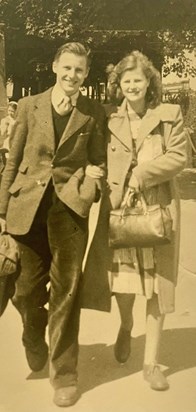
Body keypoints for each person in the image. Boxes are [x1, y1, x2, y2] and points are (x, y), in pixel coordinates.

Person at [0, 42, 106, 407]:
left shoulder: (93, 112)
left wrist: (92, 182)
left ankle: (64, 374)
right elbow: (12, 162)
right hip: (26, 207)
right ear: (54, 67)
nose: (72, 75)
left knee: (67, 293)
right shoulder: (29, 106)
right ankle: (33, 334)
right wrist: (0, 212)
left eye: (79, 70)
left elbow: (98, 159)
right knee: (26, 291)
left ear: (86, 74)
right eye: (67, 68)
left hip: (70, 212)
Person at [83, 51, 187, 391]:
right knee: (124, 284)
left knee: (158, 287)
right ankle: (126, 324)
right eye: (126, 80)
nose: (132, 86)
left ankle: (151, 363)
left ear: (149, 82)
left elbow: (178, 156)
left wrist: (142, 173)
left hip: (158, 212)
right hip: (121, 214)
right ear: (119, 84)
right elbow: (96, 156)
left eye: (138, 80)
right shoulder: (110, 119)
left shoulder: (169, 115)